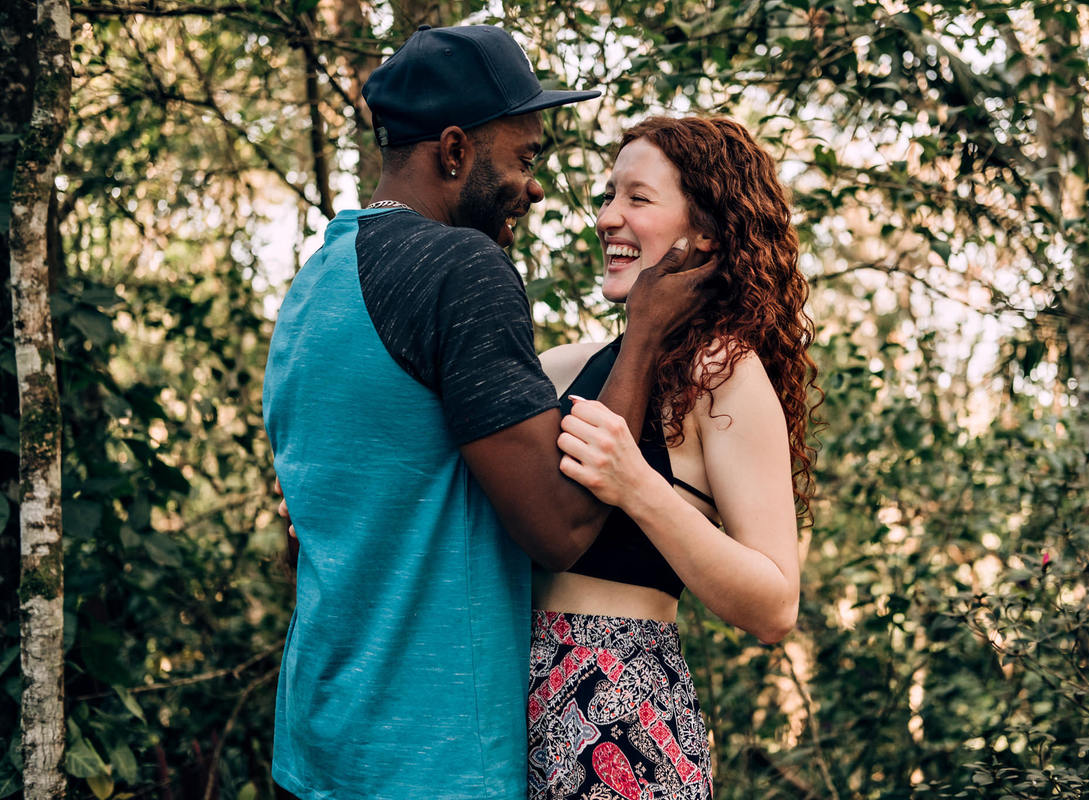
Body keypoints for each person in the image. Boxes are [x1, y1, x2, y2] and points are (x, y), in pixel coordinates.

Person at [262, 26, 715, 800]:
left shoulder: (317, 280)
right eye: (524, 158)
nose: (534, 188)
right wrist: (642, 335)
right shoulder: (460, 266)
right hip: (427, 760)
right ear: (454, 151)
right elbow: (561, 529)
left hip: (316, 747)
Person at [527, 116, 818, 799]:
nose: (607, 217)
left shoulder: (723, 374)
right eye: (608, 196)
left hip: (625, 722)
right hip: (502, 706)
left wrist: (637, 485)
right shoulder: (560, 367)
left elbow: (775, 605)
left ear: (706, 233)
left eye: (638, 198)